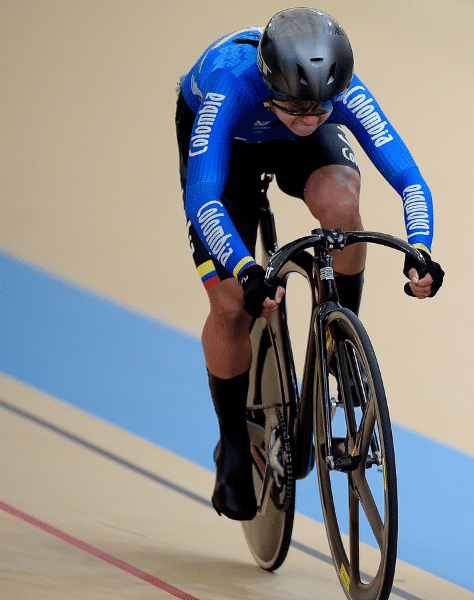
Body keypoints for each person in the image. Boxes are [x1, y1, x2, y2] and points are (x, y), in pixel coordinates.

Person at [175, 7, 444, 521]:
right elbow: (204, 199)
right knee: (233, 306)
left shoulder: (339, 95)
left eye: (320, 109)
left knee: (344, 208)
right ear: (271, 80)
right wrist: (246, 268)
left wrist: (422, 250)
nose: (307, 120)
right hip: (228, 143)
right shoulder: (231, 83)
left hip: (279, 137)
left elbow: (411, 181)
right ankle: (232, 444)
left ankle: (341, 340)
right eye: (296, 106)